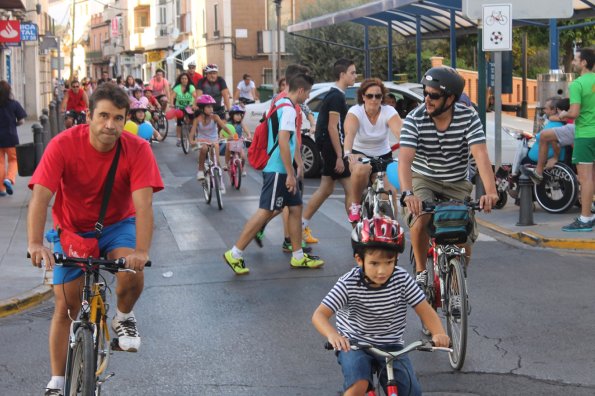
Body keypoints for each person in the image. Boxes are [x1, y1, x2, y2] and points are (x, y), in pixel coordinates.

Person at [27, 82, 164, 396]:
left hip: (117, 224)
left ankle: (124, 317)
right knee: (67, 307)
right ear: (88, 116)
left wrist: (140, 252)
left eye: (118, 118)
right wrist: (36, 243)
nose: (110, 125)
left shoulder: (137, 149)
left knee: (132, 272)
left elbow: (143, 204)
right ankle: (57, 382)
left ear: (125, 119)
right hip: (72, 228)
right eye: (103, 116)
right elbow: (40, 196)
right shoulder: (63, 144)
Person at [312, 215, 450, 396]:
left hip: (392, 346)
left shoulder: (401, 279)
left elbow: (424, 309)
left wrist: (438, 332)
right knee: (358, 384)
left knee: (411, 392)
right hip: (355, 345)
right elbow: (319, 315)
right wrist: (333, 335)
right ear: (359, 260)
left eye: (389, 262)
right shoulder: (349, 283)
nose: (382, 270)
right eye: (374, 263)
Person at [398, 66, 499, 289]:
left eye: (433, 95)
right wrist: (408, 193)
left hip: (456, 181)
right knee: (421, 215)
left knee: (462, 233)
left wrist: (491, 192)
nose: (427, 99)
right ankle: (422, 272)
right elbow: (404, 160)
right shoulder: (415, 118)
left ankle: (456, 284)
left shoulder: (468, 116)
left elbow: (480, 154)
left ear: (450, 98)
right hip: (423, 177)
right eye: (425, 93)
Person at [223, 74, 324, 274]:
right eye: (309, 92)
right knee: (266, 211)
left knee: (295, 208)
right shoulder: (287, 109)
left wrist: (298, 163)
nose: (308, 96)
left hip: (282, 169)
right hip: (278, 170)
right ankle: (235, 253)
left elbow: (290, 140)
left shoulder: (284, 105)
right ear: (301, 90)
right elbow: (284, 141)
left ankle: (297, 256)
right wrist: (290, 173)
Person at [300, 59, 357, 243]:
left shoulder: (336, 95)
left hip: (330, 148)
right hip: (333, 149)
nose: (355, 76)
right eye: (352, 72)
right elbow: (333, 128)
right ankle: (358, 234)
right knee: (351, 189)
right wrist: (340, 156)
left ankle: (300, 225)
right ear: (342, 75)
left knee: (325, 189)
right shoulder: (336, 97)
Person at [343, 78, 403, 223]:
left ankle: (392, 225)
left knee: (390, 192)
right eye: (370, 95)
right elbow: (349, 134)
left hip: (383, 156)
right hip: (359, 154)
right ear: (363, 97)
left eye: (378, 96)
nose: (374, 99)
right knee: (360, 169)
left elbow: (401, 133)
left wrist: (409, 152)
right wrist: (348, 153)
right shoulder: (355, 111)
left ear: (382, 98)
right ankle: (356, 205)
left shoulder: (389, 111)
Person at [557, 47, 595, 231]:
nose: (573, 62)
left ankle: (586, 219)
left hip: (586, 135)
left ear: (584, 63)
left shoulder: (577, 84)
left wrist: (563, 114)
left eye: (576, 59)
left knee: (586, 178)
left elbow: (575, 112)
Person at [527, 97, 572, 183]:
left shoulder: (559, 124)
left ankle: (538, 172)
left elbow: (555, 141)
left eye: (546, 108)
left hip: (543, 161)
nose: (544, 110)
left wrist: (555, 158)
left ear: (555, 110)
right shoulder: (555, 120)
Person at [191, 94, 232, 181]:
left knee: (216, 161)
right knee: (204, 148)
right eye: (208, 107)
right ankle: (200, 170)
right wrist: (193, 142)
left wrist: (230, 135)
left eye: (212, 107)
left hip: (214, 140)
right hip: (202, 140)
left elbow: (224, 127)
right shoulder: (197, 119)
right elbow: (191, 135)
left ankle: (217, 176)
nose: (211, 109)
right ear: (202, 108)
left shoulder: (215, 117)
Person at [0, 81, 27, 197]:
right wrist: (13, 124)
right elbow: (22, 121)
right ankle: (9, 179)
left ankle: (2, 189)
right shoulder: (14, 104)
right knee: (14, 160)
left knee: (0, 163)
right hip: (11, 137)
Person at [170, 72, 197, 147]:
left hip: (189, 106)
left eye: (185, 78)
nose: (184, 80)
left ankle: (192, 132)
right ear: (180, 80)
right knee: (179, 122)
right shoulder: (177, 87)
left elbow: (196, 96)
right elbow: (172, 97)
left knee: (192, 119)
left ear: (188, 79)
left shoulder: (191, 87)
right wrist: (172, 104)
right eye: (182, 78)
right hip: (180, 106)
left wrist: (194, 105)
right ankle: (178, 139)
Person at [224, 104, 251, 176]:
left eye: (240, 115)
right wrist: (225, 137)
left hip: (239, 141)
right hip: (231, 141)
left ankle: (242, 168)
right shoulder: (228, 124)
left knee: (243, 156)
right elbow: (223, 133)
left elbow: (246, 130)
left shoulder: (241, 123)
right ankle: (226, 164)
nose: (239, 117)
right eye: (237, 115)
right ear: (232, 115)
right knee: (227, 148)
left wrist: (249, 135)